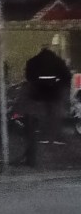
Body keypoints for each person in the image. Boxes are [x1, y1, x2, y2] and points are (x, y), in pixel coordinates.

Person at [24, 36, 72, 165]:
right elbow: (66, 76)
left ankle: (40, 134)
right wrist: (60, 86)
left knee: (38, 116)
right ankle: (52, 136)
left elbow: (29, 76)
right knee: (54, 115)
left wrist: (36, 85)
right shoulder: (58, 61)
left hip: (38, 94)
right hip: (54, 93)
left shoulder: (33, 61)